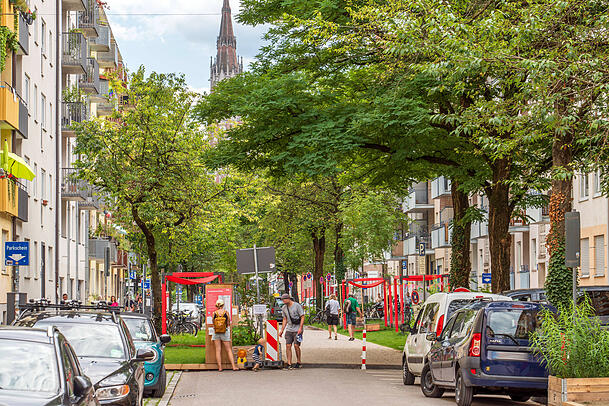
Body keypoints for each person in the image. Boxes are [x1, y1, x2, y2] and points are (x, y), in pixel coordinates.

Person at [278, 293, 304, 369]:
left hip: (297, 329)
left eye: (284, 299)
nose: (283, 301)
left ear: (288, 299)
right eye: (282, 300)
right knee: (288, 345)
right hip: (289, 329)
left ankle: (299, 362)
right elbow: (284, 319)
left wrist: (300, 328)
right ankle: (289, 363)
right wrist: (282, 330)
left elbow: (302, 317)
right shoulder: (284, 308)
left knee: (296, 346)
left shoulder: (297, 306)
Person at [212, 299, 238, 371]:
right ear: (223, 305)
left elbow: (213, 322)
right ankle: (233, 366)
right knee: (228, 350)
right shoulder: (226, 312)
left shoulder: (214, 313)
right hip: (224, 332)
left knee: (218, 350)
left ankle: (220, 367)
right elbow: (228, 322)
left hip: (216, 332)